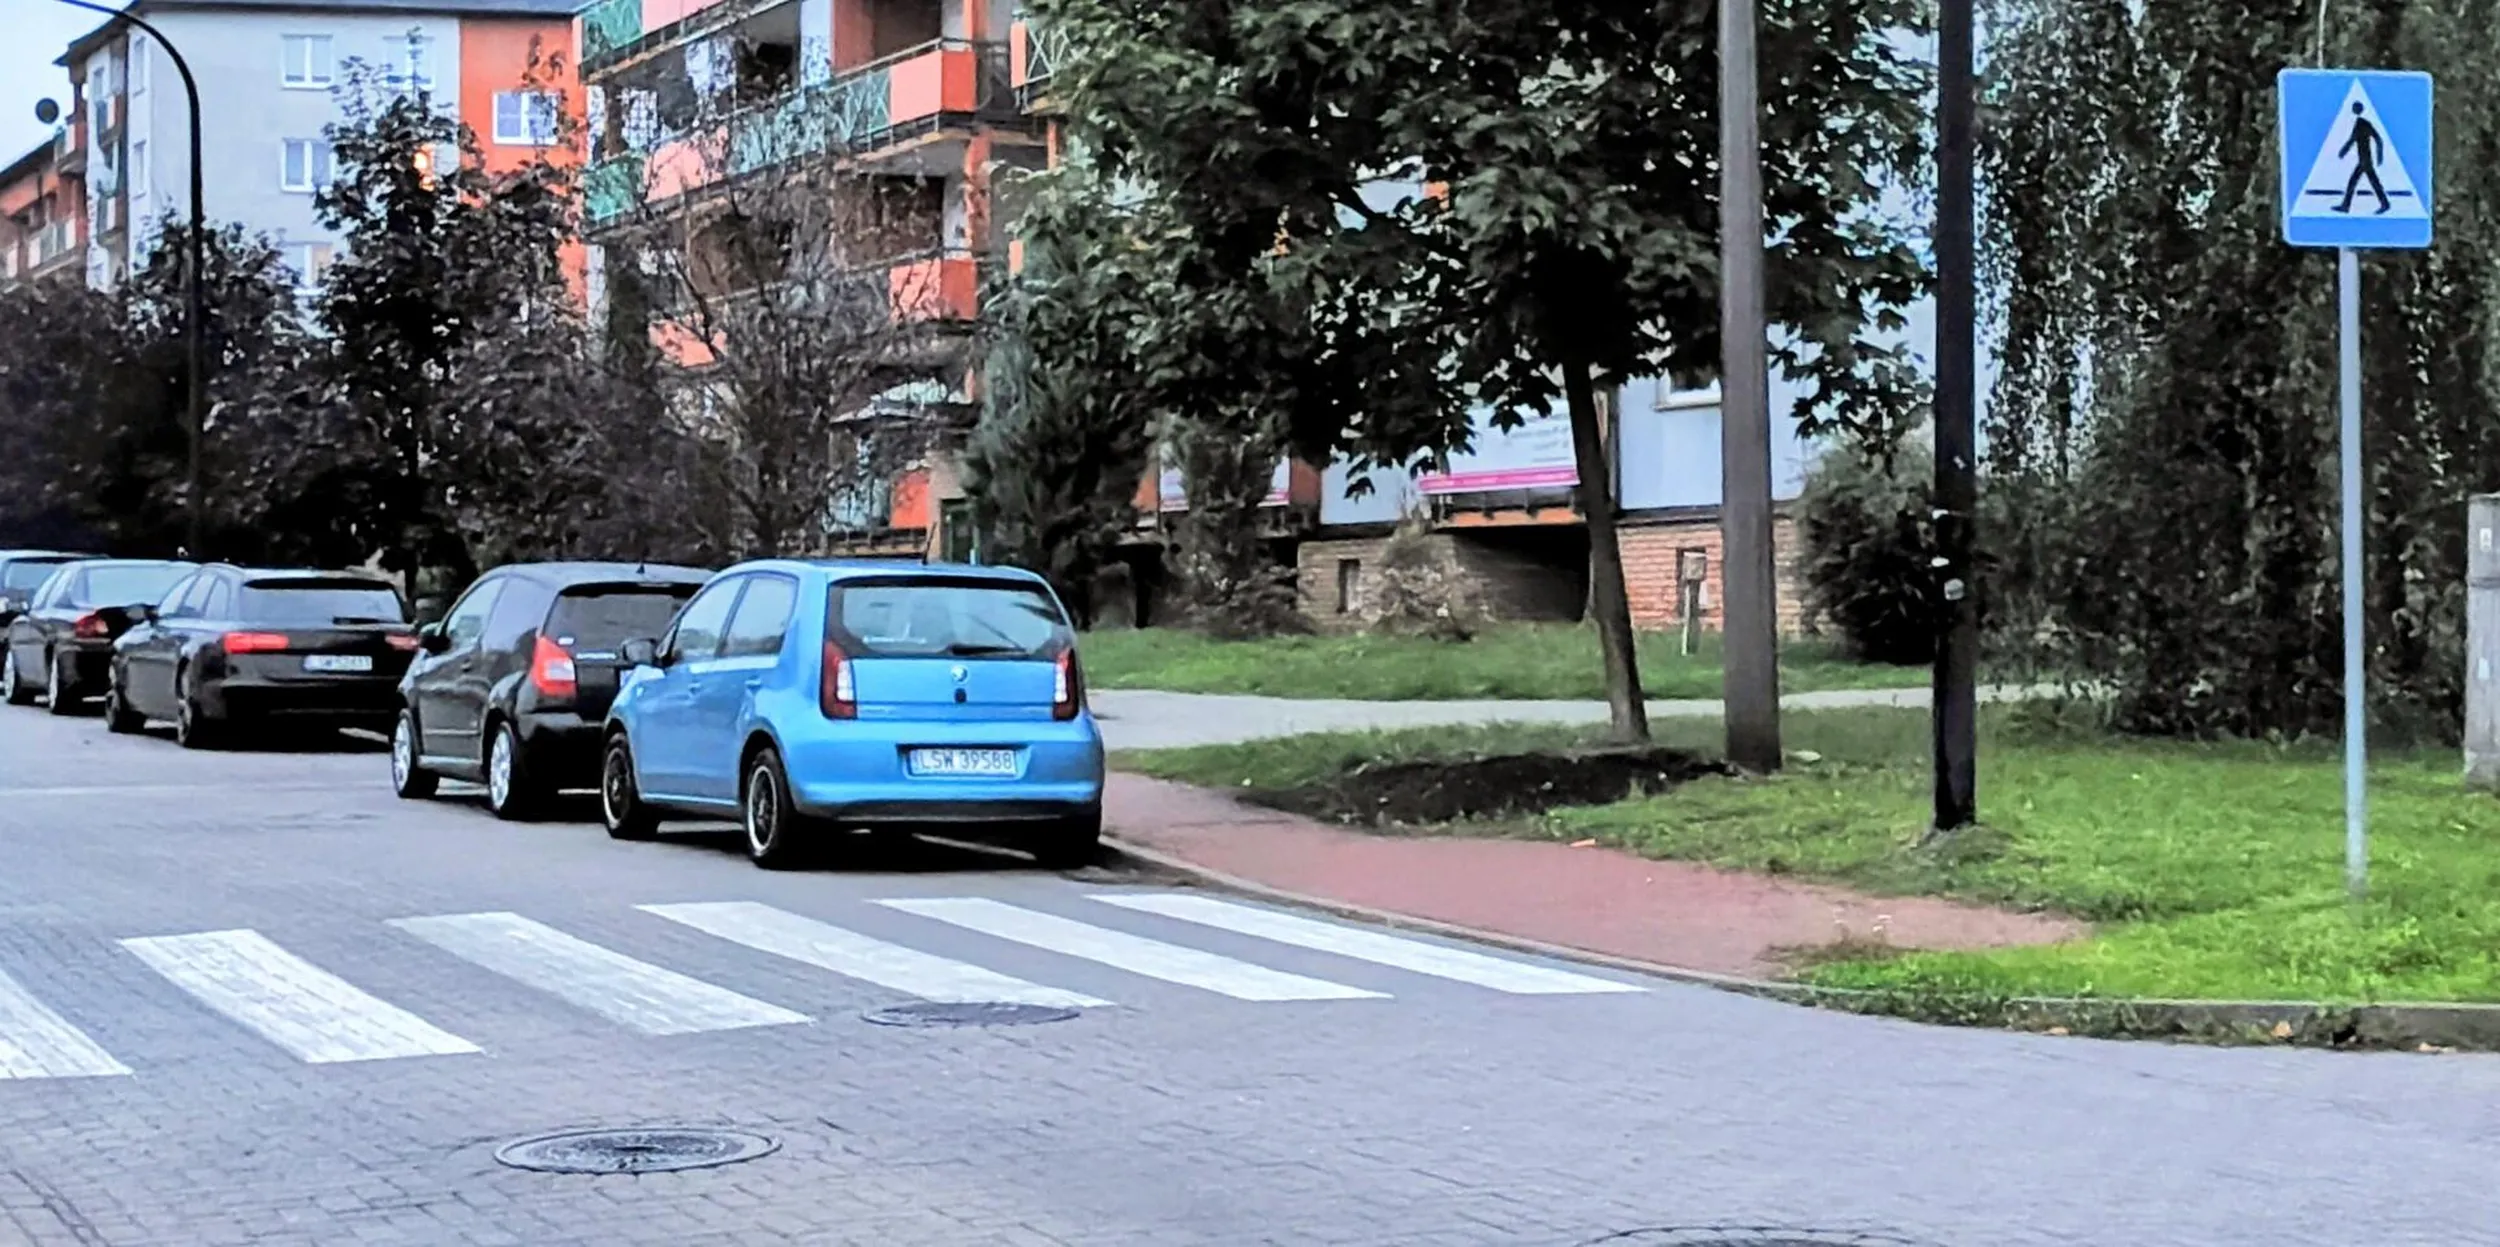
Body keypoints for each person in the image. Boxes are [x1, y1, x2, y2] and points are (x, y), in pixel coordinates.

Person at [2336, 100, 2391, 216]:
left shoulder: (2363, 123)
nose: (2353, 110)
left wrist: (2379, 156)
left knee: (2364, 182)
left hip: (2365, 160)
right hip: (2363, 160)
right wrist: (2343, 151)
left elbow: (2378, 139)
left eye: (2354, 107)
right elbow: (2352, 140)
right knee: (2369, 182)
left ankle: (2346, 206)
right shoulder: (2358, 123)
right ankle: (2346, 206)